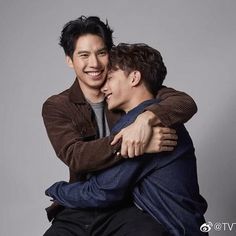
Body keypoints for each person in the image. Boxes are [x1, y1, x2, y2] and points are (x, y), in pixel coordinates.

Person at [42, 16, 198, 235]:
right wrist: (133, 142)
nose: (94, 63)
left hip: (127, 205)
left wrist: (145, 120)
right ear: (70, 60)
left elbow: (184, 102)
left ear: (110, 54)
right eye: (83, 55)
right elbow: (76, 156)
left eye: (101, 53)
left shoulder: (130, 89)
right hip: (83, 201)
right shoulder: (58, 105)